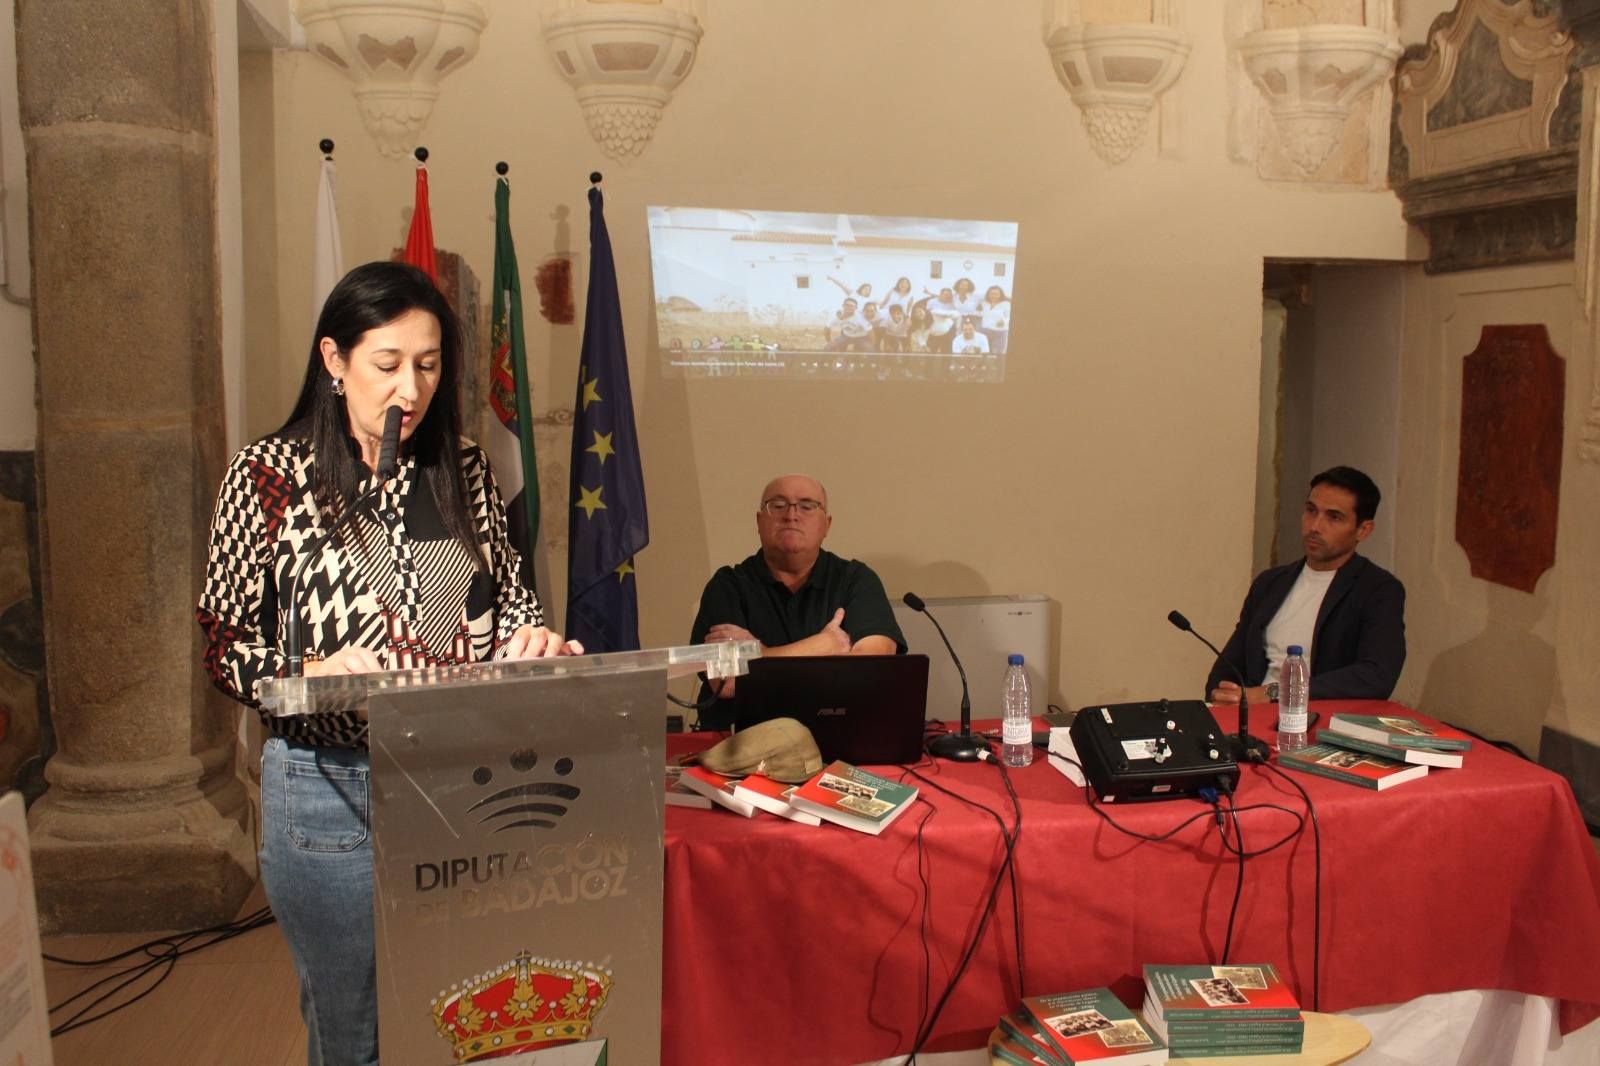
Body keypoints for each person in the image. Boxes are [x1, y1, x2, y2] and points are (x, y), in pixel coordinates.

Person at [196, 261, 581, 1066]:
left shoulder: (463, 469)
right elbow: (224, 646)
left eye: (430, 365)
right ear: (334, 361)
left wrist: (530, 640)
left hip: (468, 781)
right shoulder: (267, 476)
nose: (411, 388)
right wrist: (310, 671)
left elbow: (510, 601)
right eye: (388, 364)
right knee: (359, 1034)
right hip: (334, 789)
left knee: (468, 1015)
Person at [690, 474, 907, 729]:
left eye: (807, 506)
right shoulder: (727, 586)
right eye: (778, 505)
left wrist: (757, 656)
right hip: (740, 749)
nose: (791, 515)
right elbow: (727, 683)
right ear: (759, 522)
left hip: (837, 739)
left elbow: (872, 664)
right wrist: (824, 645)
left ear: (826, 525)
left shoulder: (856, 580)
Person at [1205, 466, 1405, 704]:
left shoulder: (1378, 590)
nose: (1314, 527)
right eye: (1311, 511)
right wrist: (1222, 695)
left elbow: (1376, 676)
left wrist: (1273, 693)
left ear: (1363, 530)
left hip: (1317, 721)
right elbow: (1229, 665)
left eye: (1334, 517)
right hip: (1252, 717)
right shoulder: (1270, 583)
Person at [980, 284, 1010, 355]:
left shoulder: (1006, 304)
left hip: (999, 332)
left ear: (1000, 294)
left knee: (997, 353)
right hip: (985, 331)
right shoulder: (984, 303)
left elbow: (1008, 316)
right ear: (988, 294)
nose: (993, 296)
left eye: (996, 294)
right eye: (991, 293)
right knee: (985, 352)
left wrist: (1004, 321)